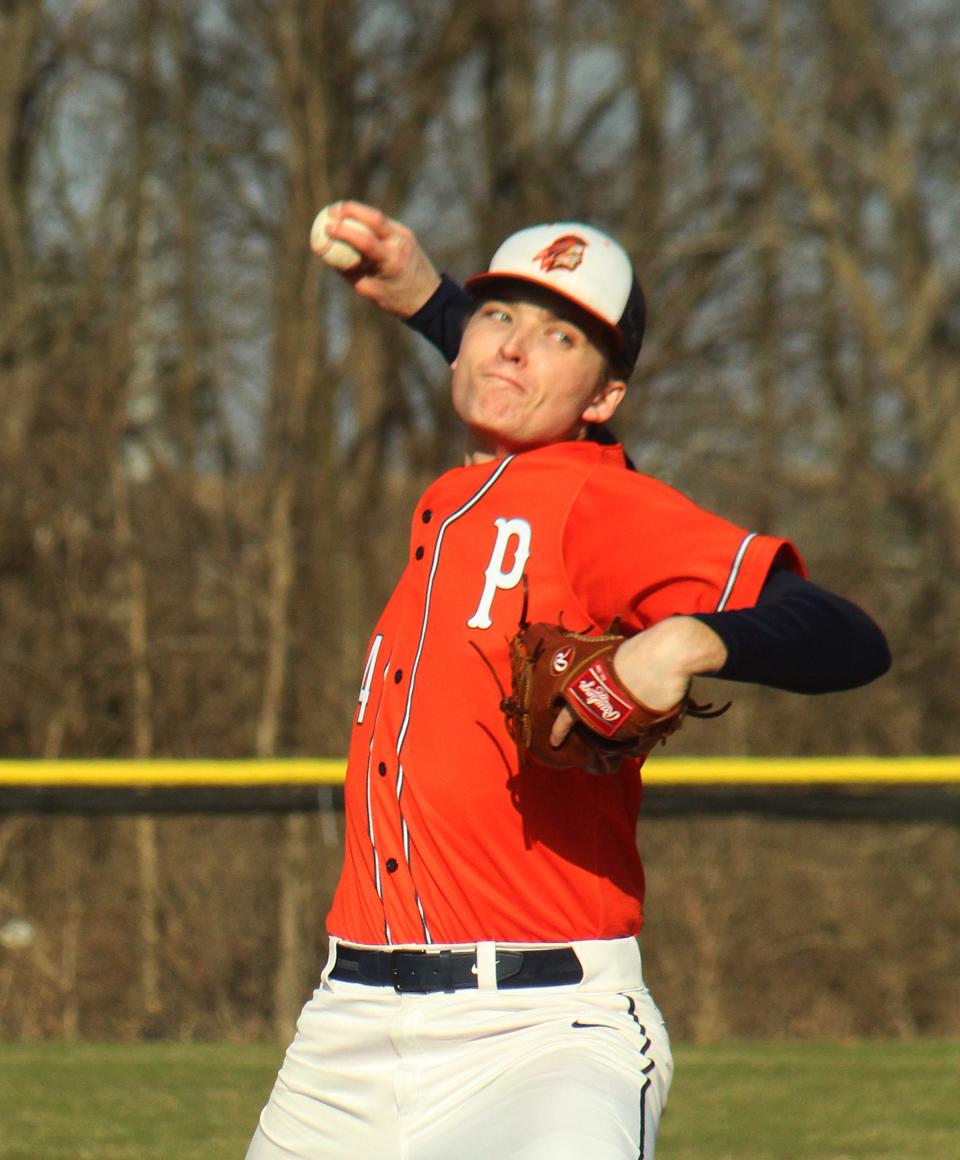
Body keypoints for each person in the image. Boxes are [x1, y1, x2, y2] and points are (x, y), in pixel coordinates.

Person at [245, 204, 891, 1160]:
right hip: (346, 1029)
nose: (514, 349)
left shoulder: (595, 500)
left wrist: (684, 642)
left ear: (603, 398)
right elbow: (503, 369)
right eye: (500, 316)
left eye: (563, 337)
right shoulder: (458, 501)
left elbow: (845, 635)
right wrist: (428, 296)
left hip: (543, 1037)